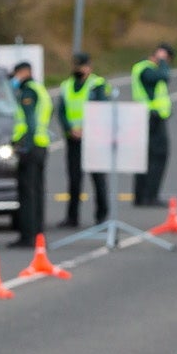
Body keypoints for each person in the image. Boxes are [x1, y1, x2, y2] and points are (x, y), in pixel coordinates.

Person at [57, 51, 111, 227]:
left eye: (82, 65)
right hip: (73, 139)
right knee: (74, 180)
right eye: (76, 65)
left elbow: (101, 111)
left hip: (94, 140)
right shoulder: (66, 86)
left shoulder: (97, 85)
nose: (78, 69)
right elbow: (61, 111)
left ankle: (101, 216)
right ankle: (72, 217)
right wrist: (70, 129)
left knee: (98, 179)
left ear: (89, 66)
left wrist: (86, 130)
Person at [7, 58, 51, 244]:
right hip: (41, 145)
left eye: (17, 74)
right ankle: (38, 232)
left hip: (31, 148)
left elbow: (30, 122)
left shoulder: (28, 91)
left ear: (25, 72)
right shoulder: (40, 89)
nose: (15, 78)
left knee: (27, 193)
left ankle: (28, 235)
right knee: (37, 191)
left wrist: (25, 146)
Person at [129, 43, 173, 206]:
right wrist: (162, 61)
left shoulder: (145, 68)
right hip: (150, 118)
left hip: (150, 117)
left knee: (145, 157)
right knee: (157, 156)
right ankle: (149, 196)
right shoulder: (146, 69)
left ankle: (141, 196)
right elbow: (163, 76)